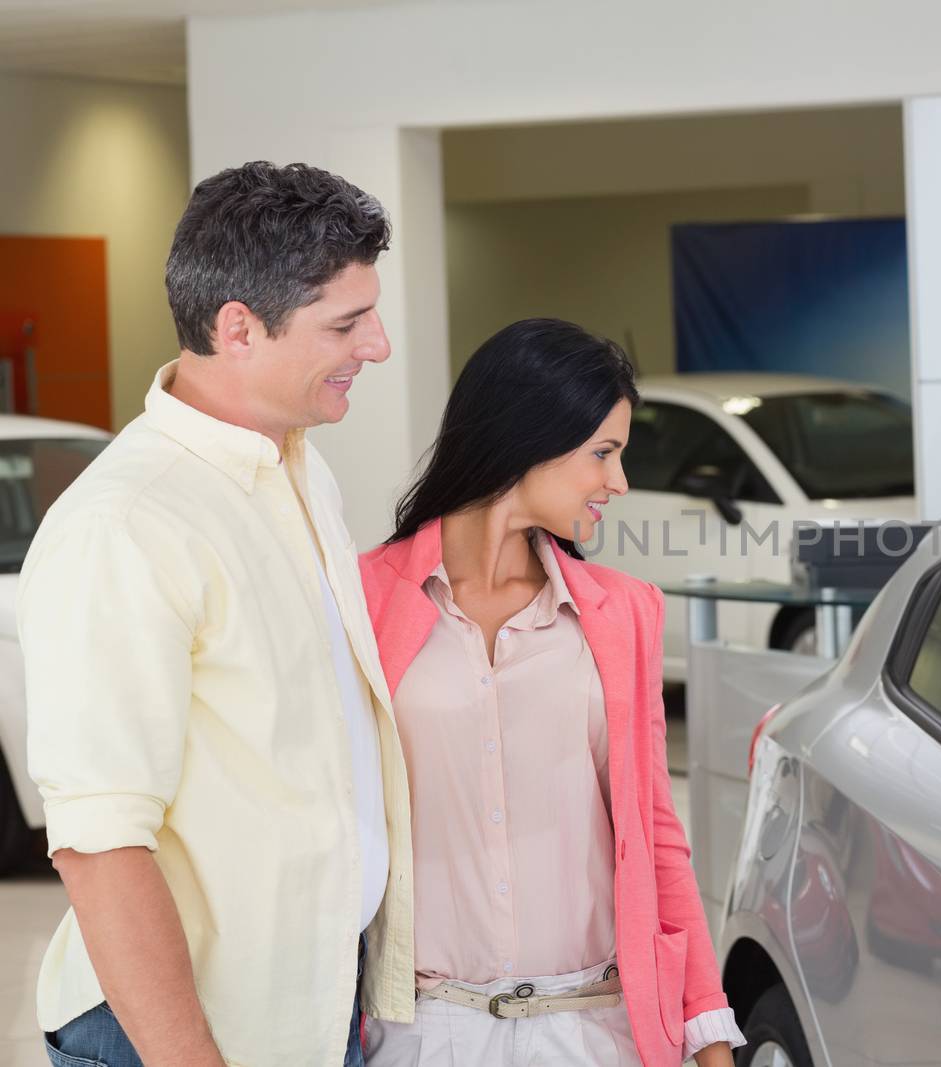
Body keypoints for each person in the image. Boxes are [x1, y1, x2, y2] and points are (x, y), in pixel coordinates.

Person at [21, 162, 415, 1066]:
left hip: (313, 1012)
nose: (379, 345)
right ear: (238, 328)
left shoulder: (304, 469)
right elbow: (100, 846)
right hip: (179, 1038)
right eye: (347, 323)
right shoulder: (127, 523)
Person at [358, 318, 744, 1067]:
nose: (619, 482)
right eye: (603, 452)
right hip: (426, 1030)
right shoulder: (365, 598)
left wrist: (709, 1034)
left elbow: (656, 834)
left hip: (594, 1030)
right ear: (526, 434)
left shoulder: (625, 612)